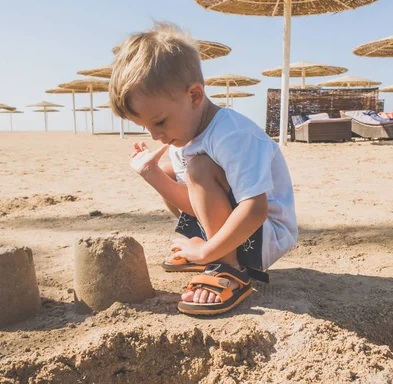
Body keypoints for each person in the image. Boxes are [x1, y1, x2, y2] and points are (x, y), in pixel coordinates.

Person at [109, 22, 297, 315]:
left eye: (159, 122)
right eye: (145, 127)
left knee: (197, 168)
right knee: (172, 170)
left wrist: (209, 252)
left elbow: (255, 209)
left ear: (195, 96)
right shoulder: (185, 129)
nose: (155, 135)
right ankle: (213, 248)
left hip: (265, 233)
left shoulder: (232, 135)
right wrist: (154, 176)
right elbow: (197, 202)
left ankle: (228, 267)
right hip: (240, 229)